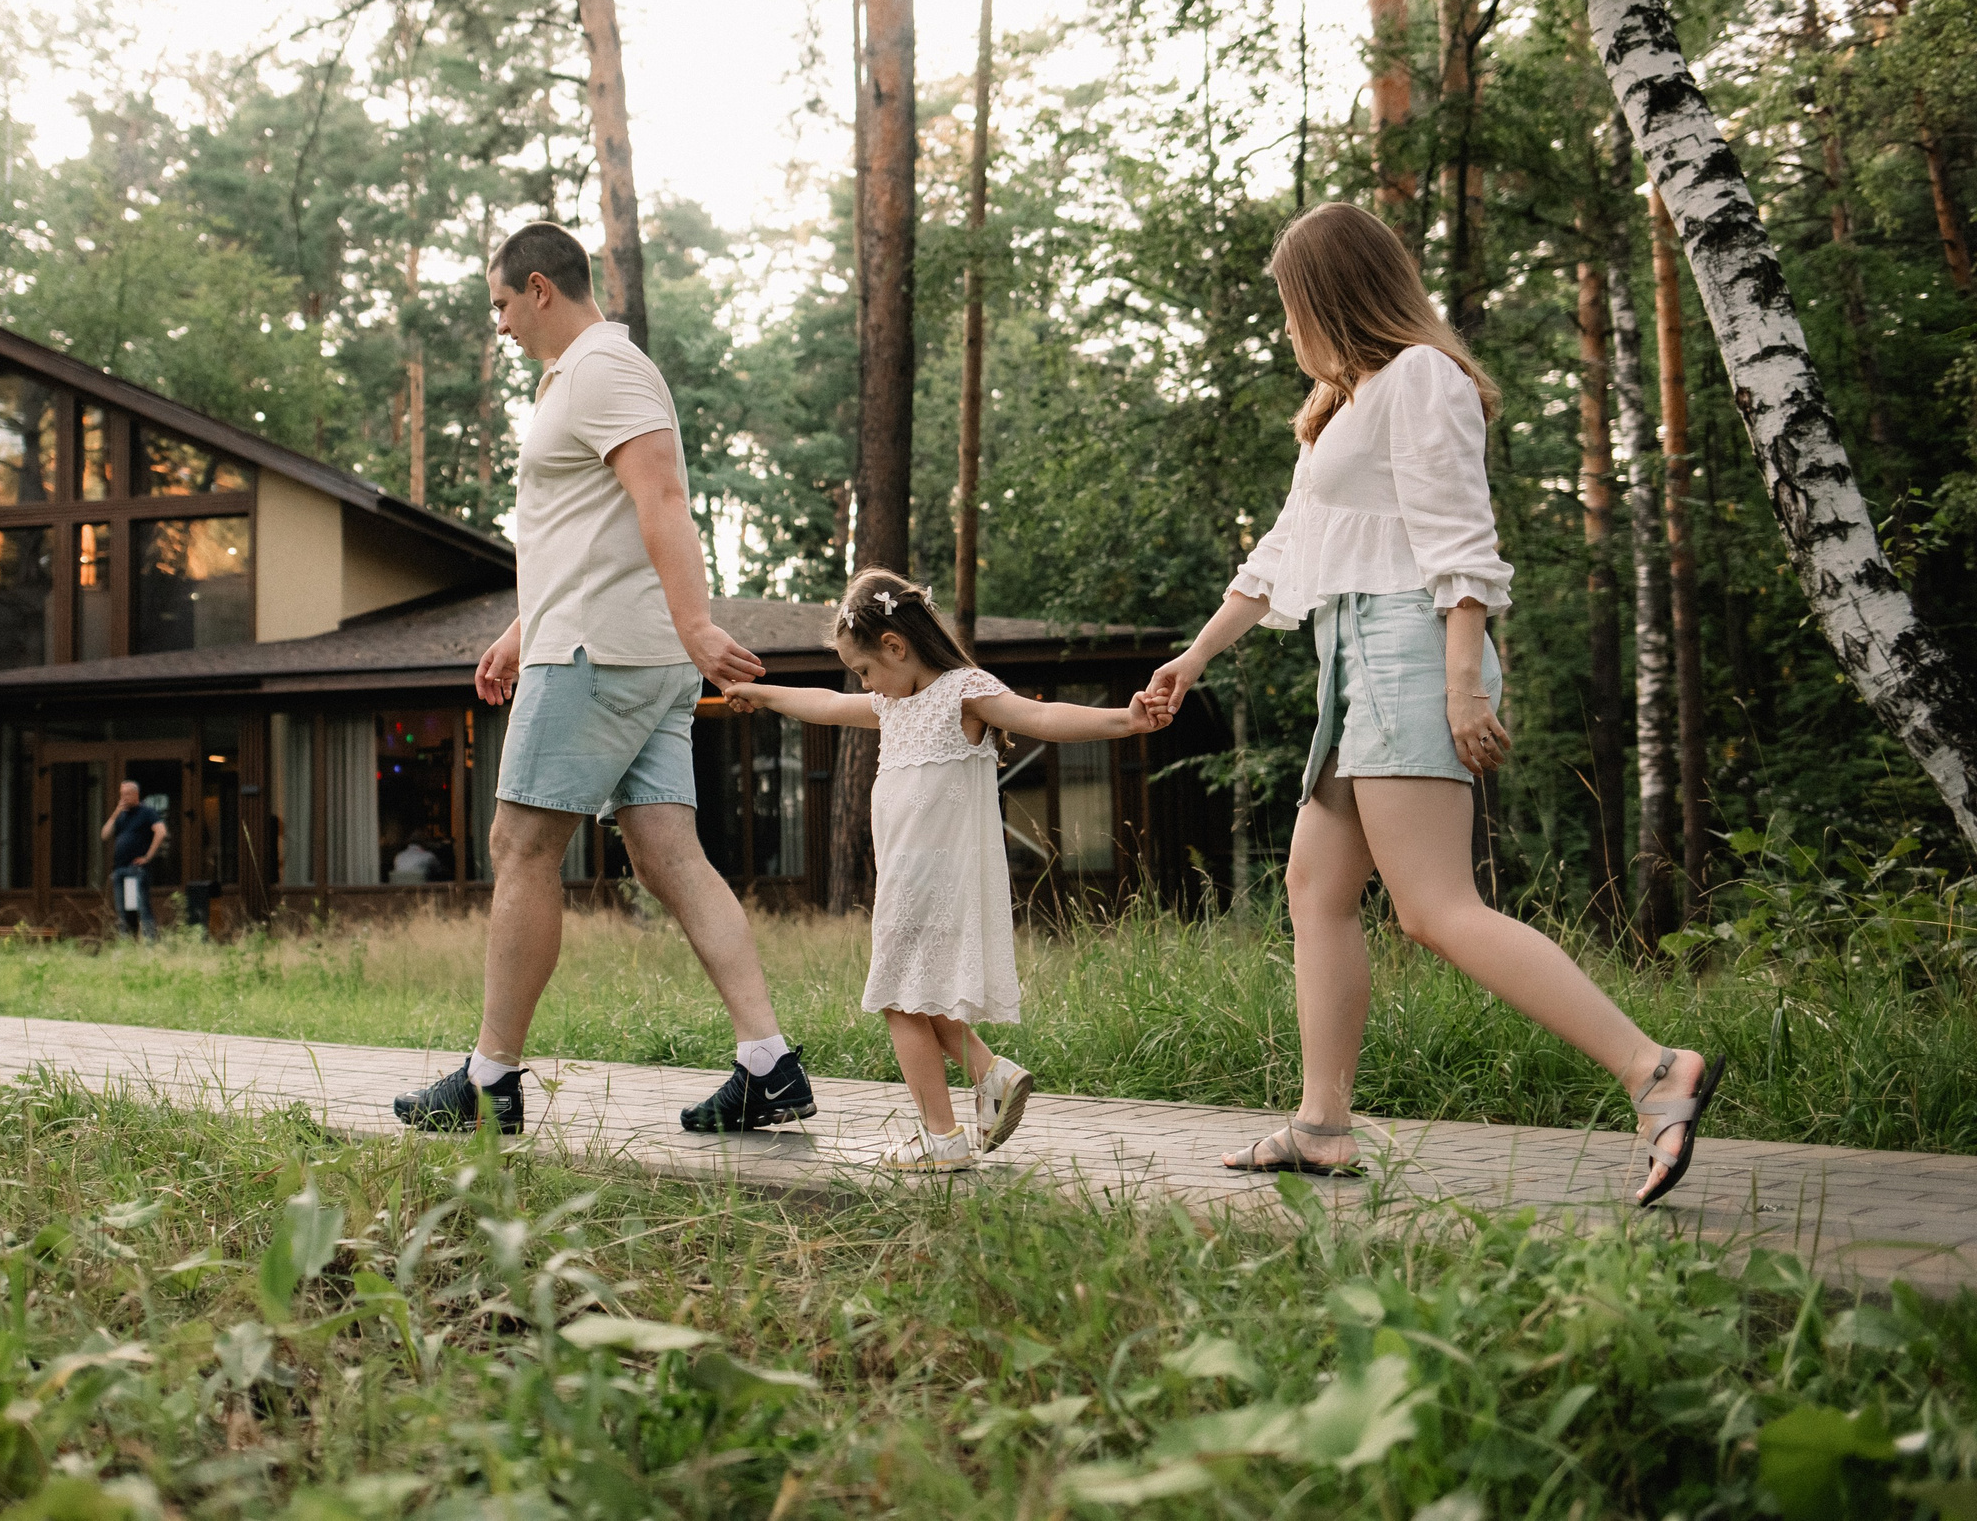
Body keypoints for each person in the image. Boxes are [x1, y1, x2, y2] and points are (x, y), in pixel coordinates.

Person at [1142, 201, 1723, 1210]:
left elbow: (1461, 540)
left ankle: (1652, 1068)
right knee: (1313, 888)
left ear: (1335, 296)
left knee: (1434, 909)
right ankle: (1322, 1125)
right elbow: (1281, 553)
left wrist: (1461, 683)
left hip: (1411, 648)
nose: (1289, 329)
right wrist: (1191, 660)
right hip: (1347, 659)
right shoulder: (1338, 406)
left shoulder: (1420, 379)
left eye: (1293, 306)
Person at [394, 221, 812, 1137]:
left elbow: (660, 497)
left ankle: (489, 1080)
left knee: (520, 845)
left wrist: (699, 622)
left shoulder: (604, 370)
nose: (498, 323)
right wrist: (517, 628)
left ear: (541, 287)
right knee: (669, 854)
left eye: (502, 303)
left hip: (598, 657)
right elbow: (588, 531)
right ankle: (768, 1062)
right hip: (615, 648)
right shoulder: (572, 380)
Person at [729, 569, 1174, 1169]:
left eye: (865, 668)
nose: (864, 683)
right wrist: (763, 693)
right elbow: (828, 705)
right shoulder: (894, 705)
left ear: (895, 644)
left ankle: (941, 1140)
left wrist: (1125, 720)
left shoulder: (962, 691)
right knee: (918, 993)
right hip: (908, 878)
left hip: (930, 880)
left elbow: (1039, 718)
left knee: (896, 997)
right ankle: (990, 1075)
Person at [101, 779, 167, 940]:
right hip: (119, 869)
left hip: (135, 870)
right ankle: (127, 943)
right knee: (123, 910)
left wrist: (148, 856)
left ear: (136, 794)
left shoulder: (146, 812)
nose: (124, 798)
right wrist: (116, 812)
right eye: (121, 795)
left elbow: (161, 831)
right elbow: (105, 835)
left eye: (127, 794)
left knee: (141, 907)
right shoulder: (121, 816)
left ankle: (150, 942)